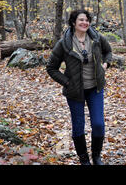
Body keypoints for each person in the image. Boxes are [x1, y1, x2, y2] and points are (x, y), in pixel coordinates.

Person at [46, 9, 112, 165]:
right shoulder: (64, 43)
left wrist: (105, 64)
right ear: (74, 23)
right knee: (78, 126)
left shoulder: (96, 38)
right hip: (75, 91)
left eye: (87, 20)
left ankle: (96, 156)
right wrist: (67, 82)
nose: (85, 23)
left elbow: (108, 51)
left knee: (98, 124)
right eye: (81, 20)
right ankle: (84, 159)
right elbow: (51, 67)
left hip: (95, 88)